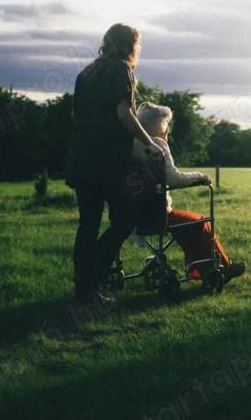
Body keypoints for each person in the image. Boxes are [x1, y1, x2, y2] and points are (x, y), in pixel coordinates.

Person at [66, 23, 162, 304]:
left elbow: (75, 114)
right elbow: (124, 114)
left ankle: (84, 289)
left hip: (81, 159)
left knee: (88, 224)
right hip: (107, 162)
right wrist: (149, 142)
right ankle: (91, 278)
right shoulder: (121, 69)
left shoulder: (87, 73)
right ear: (131, 44)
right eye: (138, 44)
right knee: (124, 221)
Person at [132, 102, 246, 283]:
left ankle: (199, 269)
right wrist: (201, 177)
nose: (168, 130)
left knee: (187, 225)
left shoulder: (130, 143)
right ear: (158, 126)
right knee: (200, 222)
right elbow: (174, 179)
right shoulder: (157, 144)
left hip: (130, 214)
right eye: (166, 125)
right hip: (155, 214)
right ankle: (223, 267)